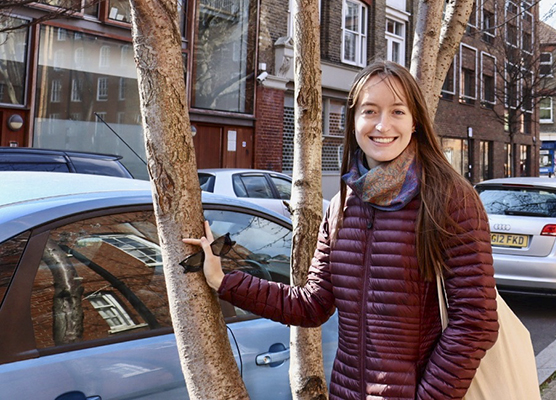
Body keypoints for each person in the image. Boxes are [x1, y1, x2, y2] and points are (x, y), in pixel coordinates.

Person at [183, 61, 498, 399]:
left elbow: (476, 323)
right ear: (354, 120)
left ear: (415, 120)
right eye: (370, 111)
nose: (382, 125)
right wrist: (224, 280)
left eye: (397, 112)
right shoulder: (343, 205)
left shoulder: (450, 199)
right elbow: (311, 305)